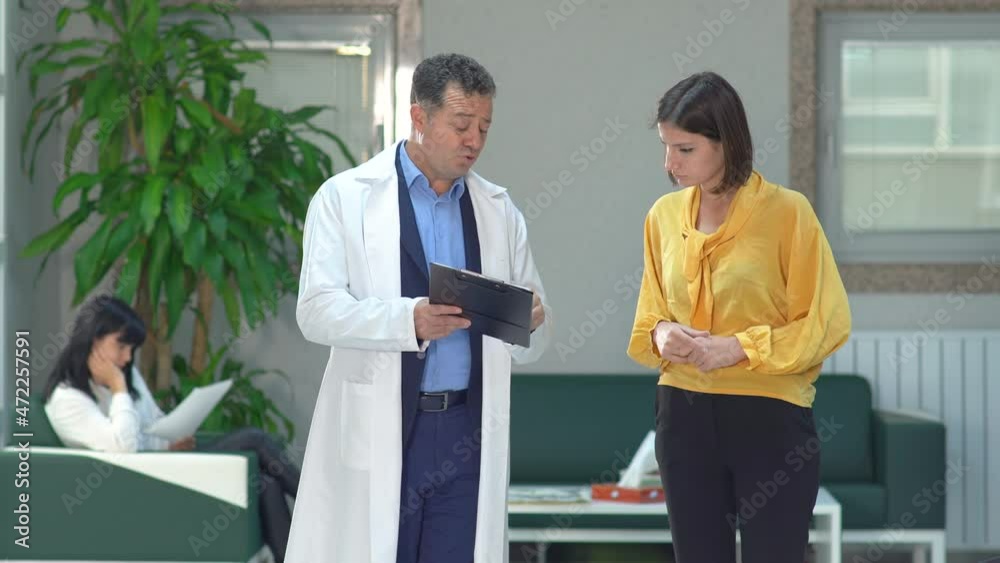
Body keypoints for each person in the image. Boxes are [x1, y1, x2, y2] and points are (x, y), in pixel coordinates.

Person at [286, 53, 552, 563]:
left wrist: (532, 320)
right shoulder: (345, 198)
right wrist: (406, 320)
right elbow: (316, 310)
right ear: (419, 117)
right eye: (461, 125)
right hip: (385, 424)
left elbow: (533, 336)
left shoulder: (498, 211)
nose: (474, 140)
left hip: (466, 432)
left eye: (484, 127)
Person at [626, 72, 851, 563]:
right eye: (666, 147)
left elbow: (824, 322)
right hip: (682, 413)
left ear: (725, 141)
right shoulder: (662, 216)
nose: (670, 163)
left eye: (685, 149)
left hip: (769, 415)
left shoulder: (789, 213)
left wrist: (739, 348)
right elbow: (650, 316)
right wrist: (662, 334)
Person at [43, 295, 301, 563]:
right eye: (121, 346)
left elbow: (152, 424)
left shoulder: (125, 374)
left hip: (166, 464)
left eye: (131, 349)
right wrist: (119, 390)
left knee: (266, 482)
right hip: (140, 486)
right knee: (254, 439)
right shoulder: (67, 400)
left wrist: (169, 444)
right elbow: (123, 448)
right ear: (92, 340)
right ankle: (314, 501)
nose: (127, 358)